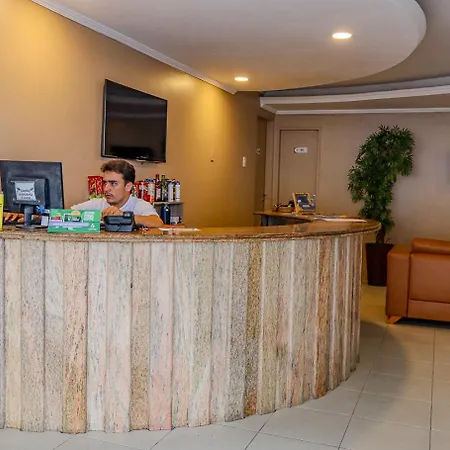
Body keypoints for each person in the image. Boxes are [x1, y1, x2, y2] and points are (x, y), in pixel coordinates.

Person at [71, 160, 163, 228]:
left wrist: (124, 217)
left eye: (113, 183)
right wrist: (96, 216)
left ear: (128, 186)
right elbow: (66, 214)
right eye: (105, 183)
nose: (106, 189)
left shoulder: (139, 205)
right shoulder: (97, 203)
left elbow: (157, 222)